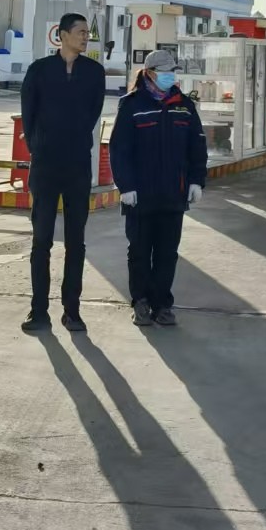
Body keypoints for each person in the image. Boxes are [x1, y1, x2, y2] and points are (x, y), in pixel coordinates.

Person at [19, 12, 107, 335]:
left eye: (87, 33)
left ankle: (72, 311)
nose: (86, 37)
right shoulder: (39, 70)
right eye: (81, 32)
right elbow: (29, 113)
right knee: (41, 239)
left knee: (76, 241)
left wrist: (75, 140)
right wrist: (38, 145)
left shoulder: (94, 73)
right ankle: (38, 311)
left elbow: (93, 112)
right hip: (45, 165)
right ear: (63, 35)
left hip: (77, 165)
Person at [109, 49, 208, 328]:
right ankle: (140, 302)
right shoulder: (132, 104)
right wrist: (126, 186)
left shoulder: (184, 105)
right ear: (150, 73)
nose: (170, 76)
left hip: (173, 194)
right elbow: (119, 149)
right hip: (139, 195)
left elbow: (197, 145)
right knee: (139, 252)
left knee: (167, 253)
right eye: (165, 71)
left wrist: (196, 181)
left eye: (173, 71)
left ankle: (162, 304)